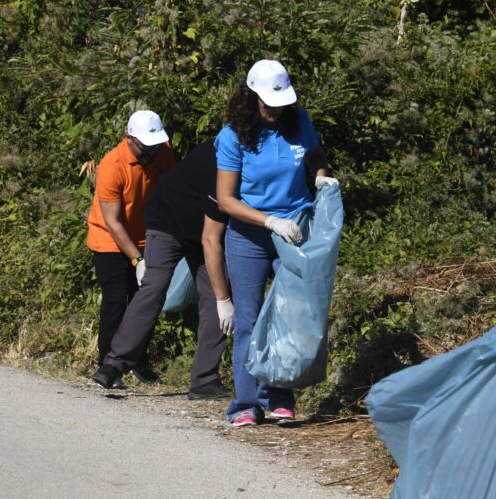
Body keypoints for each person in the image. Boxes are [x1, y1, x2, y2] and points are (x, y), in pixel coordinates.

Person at [216, 60, 336, 427]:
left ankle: (280, 396)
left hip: (295, 230)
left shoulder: (299, 122)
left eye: (279, 102)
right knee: (250, 320)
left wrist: (321, 179)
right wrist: (269, 221)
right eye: (267, 103)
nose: (274, 109)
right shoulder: (233, 135)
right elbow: (225, 199)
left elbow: (317, 158)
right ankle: (247, 403)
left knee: (288, 314)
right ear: (251, 97)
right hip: (250, 236)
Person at [91, 139, 233, 399]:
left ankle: (204, 379)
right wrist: (137, 260)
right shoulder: (222, 160)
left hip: (203, 231)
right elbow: (112, 220)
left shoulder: (170, 152)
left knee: (216, 294)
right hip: (167, 222)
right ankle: (113, 365)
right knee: (153, 288)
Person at [86, 110, 175, 384]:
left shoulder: (163, 151)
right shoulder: (112, 165)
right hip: (109, 239)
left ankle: (137, 361)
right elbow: (112, 222)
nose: (151, 151)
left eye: (155, 144)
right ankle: (107, 363)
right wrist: (137, 260)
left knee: (146, 302)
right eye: (145, 146)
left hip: (147, 236)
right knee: (116, 300)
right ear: (129, 139)